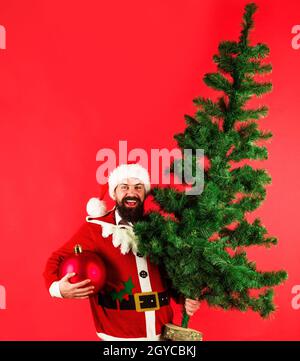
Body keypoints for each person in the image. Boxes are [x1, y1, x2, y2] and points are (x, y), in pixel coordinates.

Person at [43, 163, 200, 341]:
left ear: (145, 193)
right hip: (119, 336)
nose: (131, 193)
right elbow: (56, 259)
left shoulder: (159, 228)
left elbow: (169, 274)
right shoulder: (96, 230)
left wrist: (183, 298)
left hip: (162, 333)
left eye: (138, 187)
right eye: (124, 187)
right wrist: (58, 289)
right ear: (114, 193)